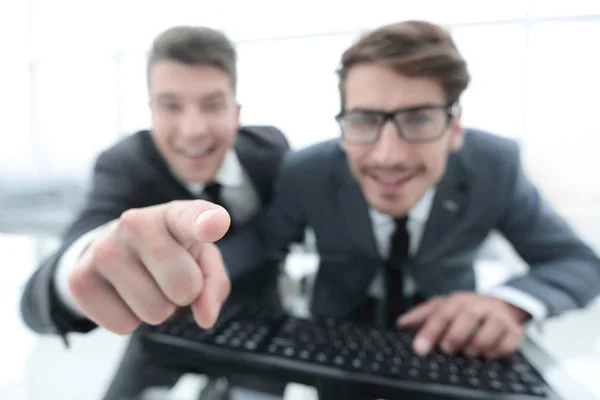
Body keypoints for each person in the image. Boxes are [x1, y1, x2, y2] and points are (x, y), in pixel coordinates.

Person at [219, 20, 600, 399]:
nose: (389, 156)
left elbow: (579, 263)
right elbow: (262, 239)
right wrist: (200, 269)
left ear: (455, 129)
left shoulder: (494, 166)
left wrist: (506, 303)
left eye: (418, 119)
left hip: (449, 343)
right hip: (338, 338)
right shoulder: (308, 172)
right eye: (365, 120)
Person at [19, 26, 290, 400]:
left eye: (212, 105)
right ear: (150, 111)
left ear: (237, 112)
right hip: (165, 325)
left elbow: (283, 228)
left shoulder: (271, 153)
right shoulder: (125, 165)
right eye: (170, 106)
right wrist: (85, 263)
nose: (192, 131)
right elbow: (76, 249)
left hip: (258, 322)